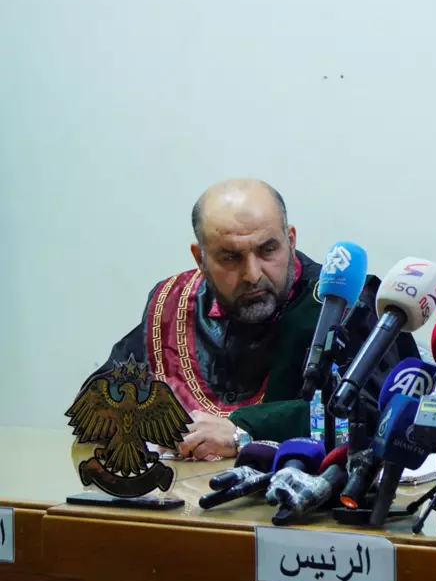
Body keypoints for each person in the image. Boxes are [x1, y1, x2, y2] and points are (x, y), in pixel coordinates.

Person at [80, 179, 417, 459]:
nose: (253, 274)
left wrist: (243, 431)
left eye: (268, 250)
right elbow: (97, 405)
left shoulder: (345, 304)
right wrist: (158, 424)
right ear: (200, 257)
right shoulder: (175, 302)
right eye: (230, 257)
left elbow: (380, 412)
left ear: (291, 240)